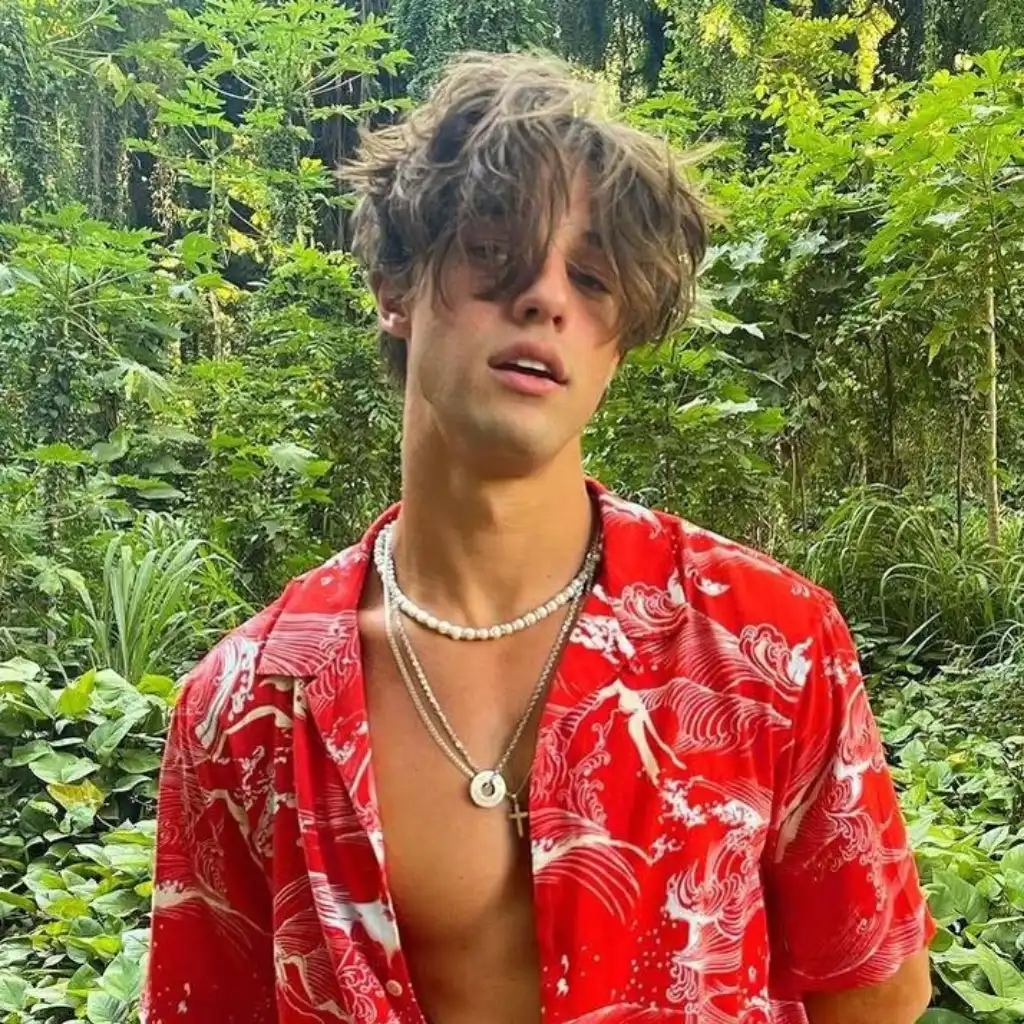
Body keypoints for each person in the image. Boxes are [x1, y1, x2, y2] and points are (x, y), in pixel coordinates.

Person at [141, 50, 935, 1024]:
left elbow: (876, 992)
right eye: (494, 251)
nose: (545, 297)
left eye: (591, 277)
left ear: (617, 342)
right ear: (395, 288)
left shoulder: (766, 643)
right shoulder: (245, 702)